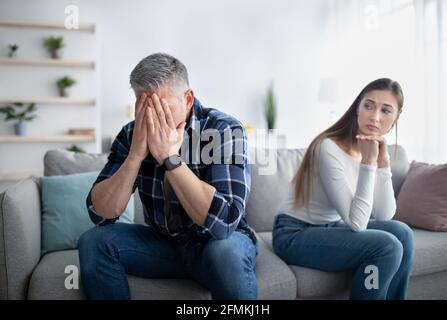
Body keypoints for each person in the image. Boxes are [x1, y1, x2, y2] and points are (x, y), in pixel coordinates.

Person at [78, 53, 257, 300]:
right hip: (164, 245)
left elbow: (225, 222)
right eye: (146, 109)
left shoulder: (224, 129)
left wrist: (170, 159)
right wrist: (135, 157)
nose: (154, 120)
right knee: (94, 241)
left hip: (217, 244)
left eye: (163, 108)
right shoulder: (132, 134)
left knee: (225, 252)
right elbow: (100, 213)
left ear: (188, 99)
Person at [272, 78, 414, 300]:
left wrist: (382, 163)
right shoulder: (327, 147)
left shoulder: (371, 148)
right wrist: (369, 163)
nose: (375, 117)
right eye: (368, 105)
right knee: (387, 246)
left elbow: (385, 214)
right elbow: (357, 223)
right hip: (293, 233)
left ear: (396, 117)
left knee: (403, 233)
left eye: (386, 110)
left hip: (330, 226)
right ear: (357, 106)